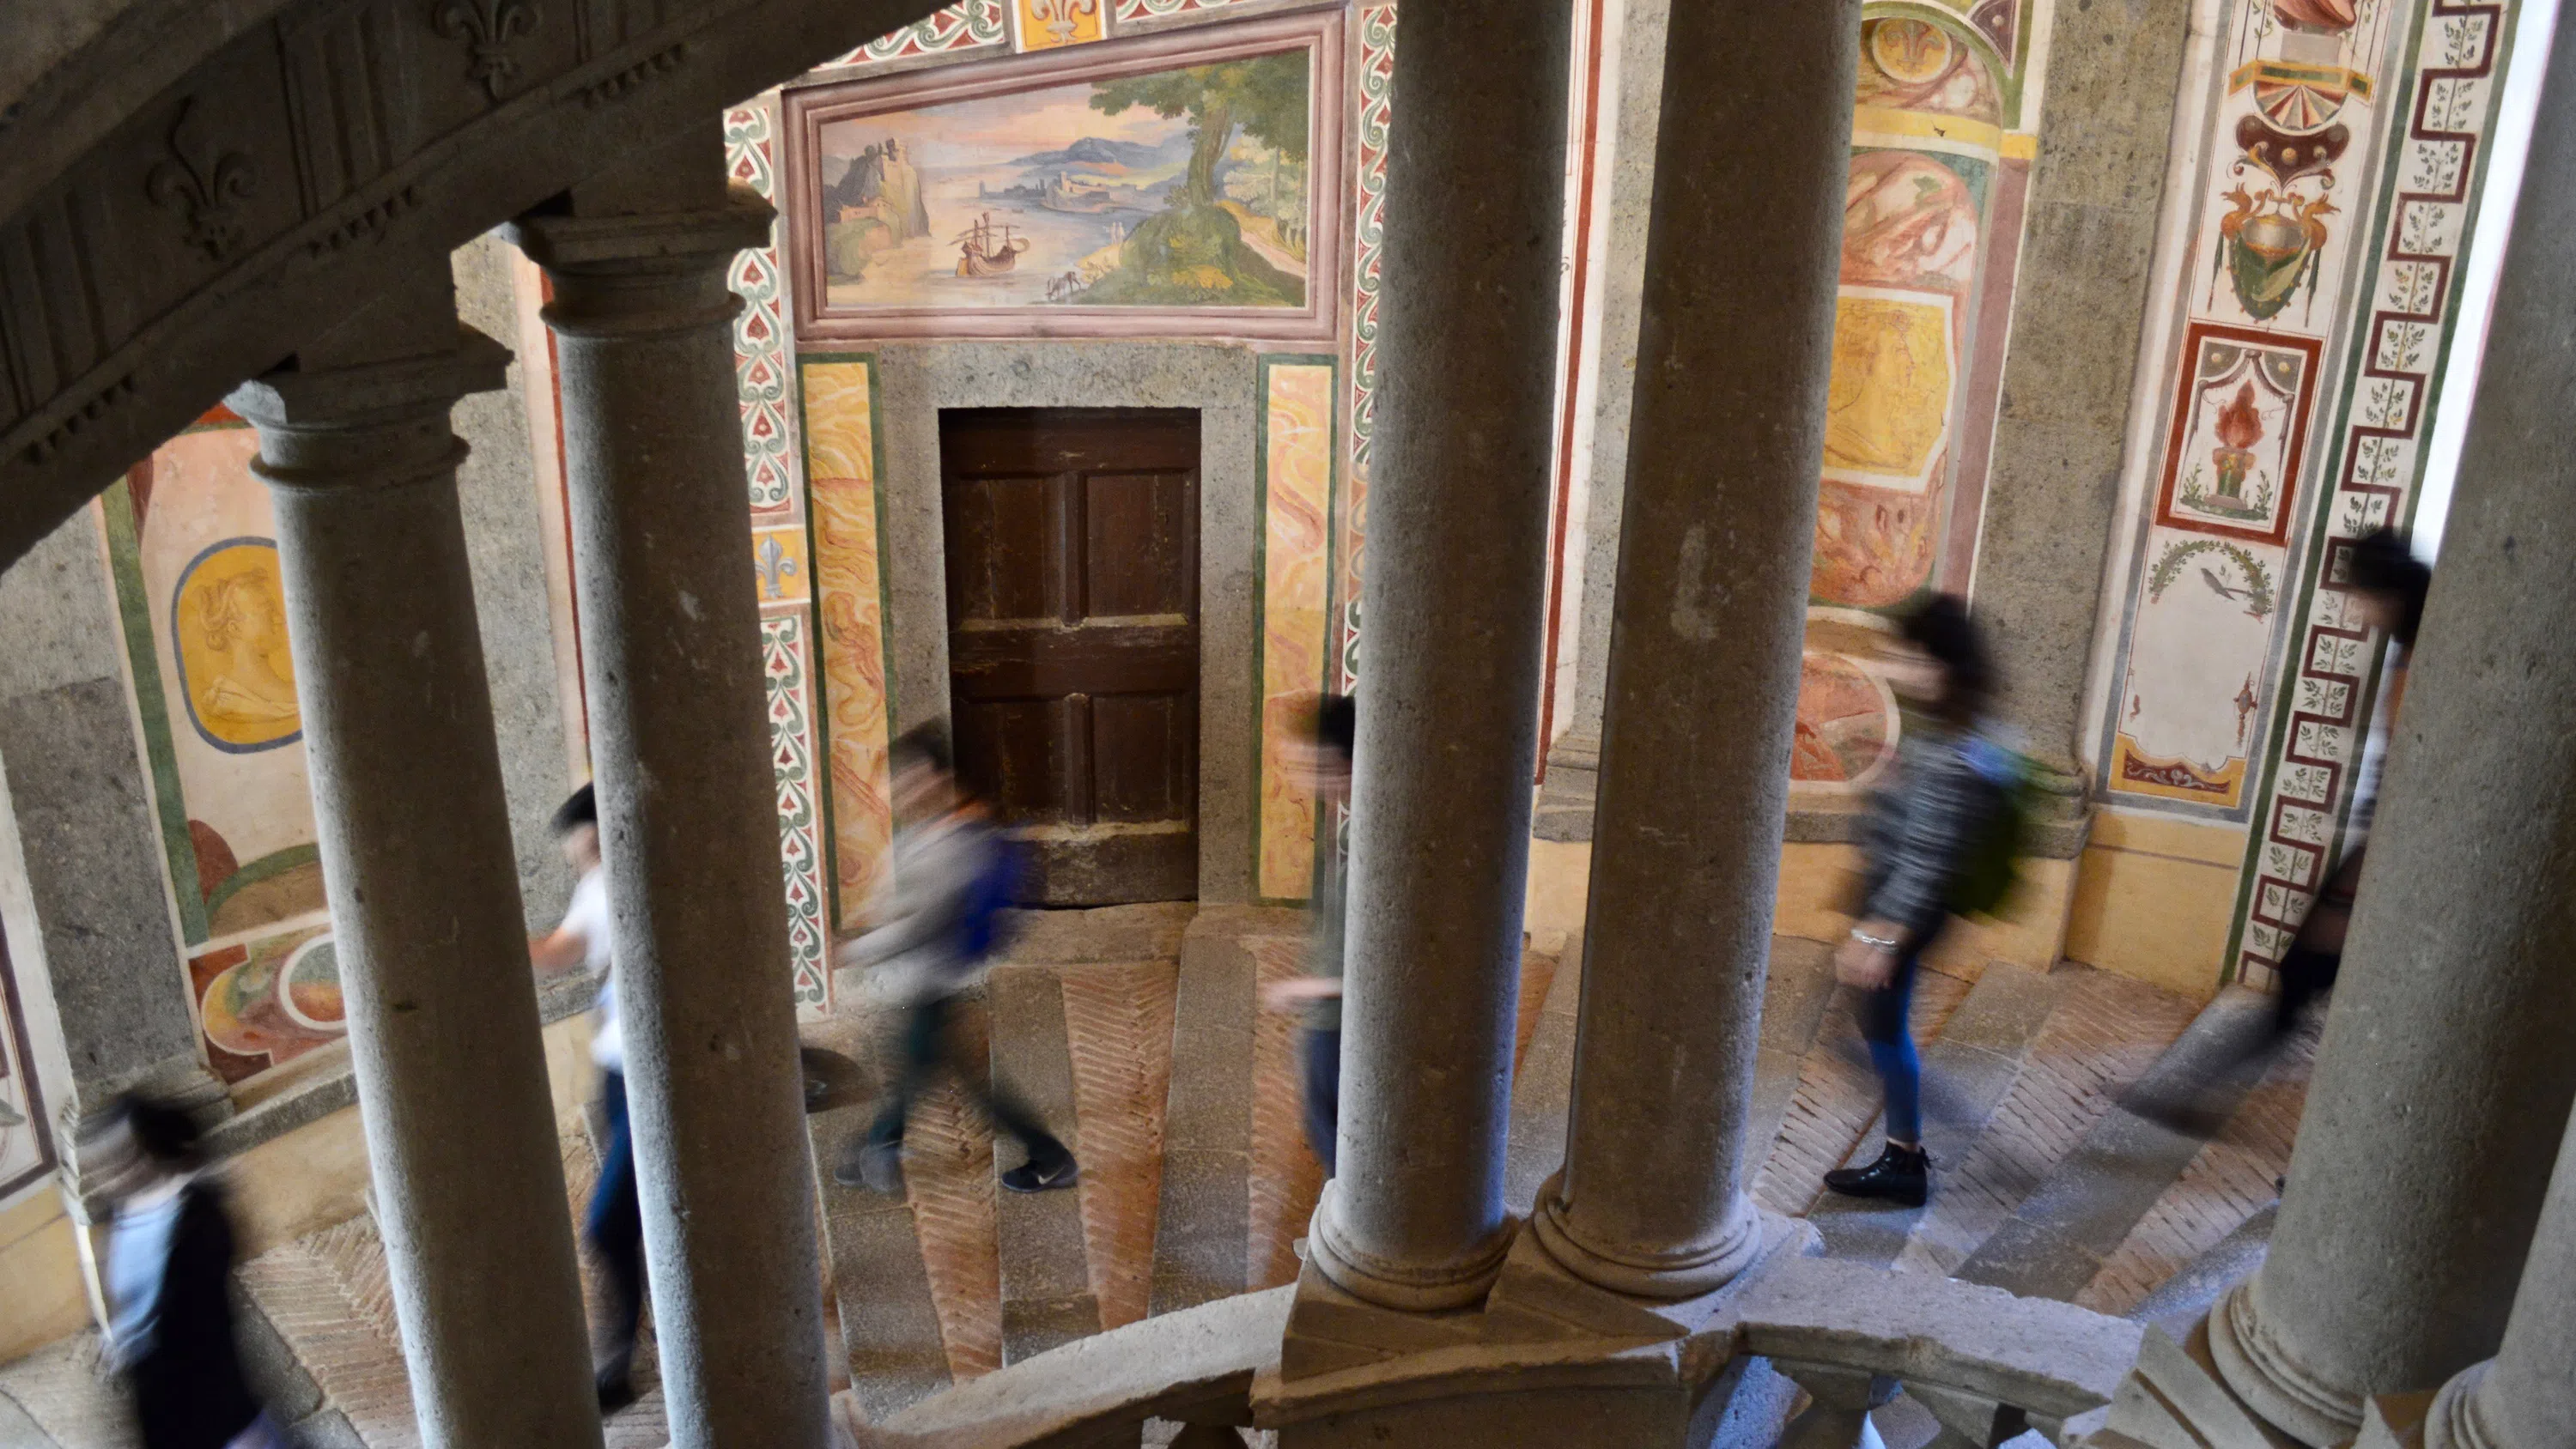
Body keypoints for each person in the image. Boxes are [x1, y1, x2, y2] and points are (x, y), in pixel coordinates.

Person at [832, 723, 1078, 1196]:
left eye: (906, 782)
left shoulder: (954, 842)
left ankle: (1050, 1157)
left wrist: (853, 950)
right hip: (924, 977)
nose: (898, 794)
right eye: (895, 785)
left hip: (931, 977)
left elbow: (920, 925)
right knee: (931, 1065)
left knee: (956, 1077)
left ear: (934, 777)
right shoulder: (936, 829)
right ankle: (879, 1145)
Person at [1824, 596, 2010, 1209]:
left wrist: (1877, 937)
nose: (1896, 666)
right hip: (1905, 907)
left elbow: (1926, 859)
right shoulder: (1961, 728)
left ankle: (1906, 1159)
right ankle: (1913, 1133)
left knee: (1881, 1030)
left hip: (1904, 911)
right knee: (1873, 1026)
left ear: (1936, 662)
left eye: (1905, 654)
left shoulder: (1952, 749)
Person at [529, 784, 642, 1414]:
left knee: (606, 1226)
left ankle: (618, 1364)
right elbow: (565, 948)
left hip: (649, 1076)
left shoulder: (636, 876)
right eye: (578, 848)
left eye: (587, 842)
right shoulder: (598, 882)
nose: (580, 856)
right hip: (616, 1070)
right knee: (631, 1216)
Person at [97, 1094, 282, 1449]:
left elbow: (194, 1318)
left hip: (209, 1396)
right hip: (164, 1400)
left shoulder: (201, 1220)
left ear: (152, 1153)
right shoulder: (120, 1216)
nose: (114, 1172)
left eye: (126, 1156)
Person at [1259, 694, 1355, 1174]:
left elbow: (1370, 962)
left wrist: (1301, 988)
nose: (1297, 780)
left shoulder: (1368, 840)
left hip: (1338, 1022)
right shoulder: (1350, 825)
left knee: (1333, 1133)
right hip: (1329, 1015)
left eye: (1305, 765)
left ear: (1338, 763)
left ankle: (1355, 1238)